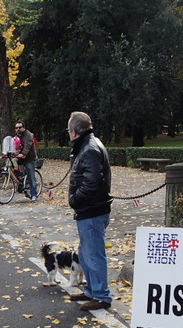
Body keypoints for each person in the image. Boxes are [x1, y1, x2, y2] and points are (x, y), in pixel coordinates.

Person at [65, 111, 112, 312]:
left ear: (74, 132)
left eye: (68, 130)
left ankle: (101, 295)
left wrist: (75, 199)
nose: (68, 133)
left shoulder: (89, 149)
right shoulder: (88, 145)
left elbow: (92, 182)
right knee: (86, 253)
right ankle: (92, 291)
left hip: (92, 210)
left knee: (93, 254)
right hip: (90, 209)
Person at [14, 120, 38, 201]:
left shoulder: (28, 135)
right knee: (11, 163)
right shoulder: (17, 136)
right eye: (16, 128)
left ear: (23, 127)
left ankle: (34, 194)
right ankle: (20, 176)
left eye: (20, 127)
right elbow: (14, 145)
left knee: (31, 177)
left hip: (29, 158)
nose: (18, 129)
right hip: (21, 157)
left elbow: (28, 145)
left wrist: (23, 153)